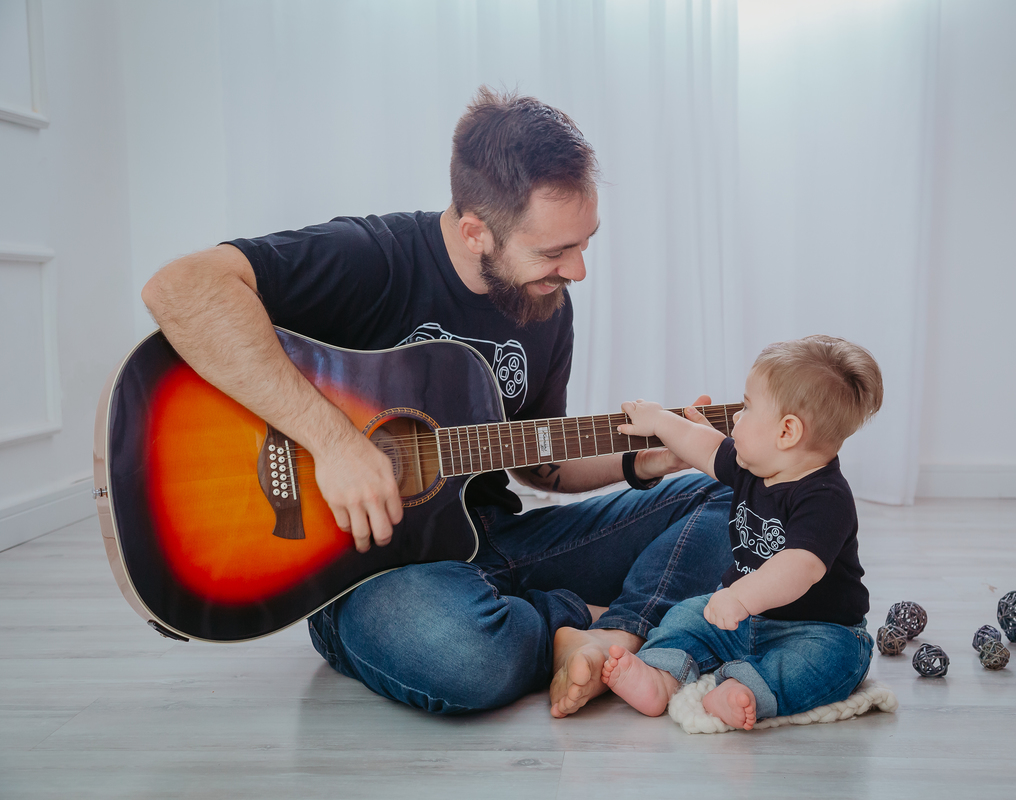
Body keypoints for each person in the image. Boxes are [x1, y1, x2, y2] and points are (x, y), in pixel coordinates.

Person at [140, 87, 732, 717]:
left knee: (733, 495)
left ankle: (610, 632)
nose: (577, 270)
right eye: (555, 252)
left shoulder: (544, 301)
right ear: (476, 231)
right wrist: (334, 443)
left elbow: (540, 461)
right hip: (373, 572)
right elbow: (179, 288)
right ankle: (572, 621)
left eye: (584, 243)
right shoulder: (373, 257)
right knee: (461, 653)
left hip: (498, 541)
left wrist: (642, 459)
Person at [598, 336, 882, 730]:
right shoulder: (753, 463)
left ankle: (746, 688)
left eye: (747, 407)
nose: (735, 417)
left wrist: (740, 597)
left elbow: (799, 567)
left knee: (830, 662)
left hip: (819, 629)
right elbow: (703, 445)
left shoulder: (826, 497)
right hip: (744, 620)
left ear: (787, 432)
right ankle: (661, 675)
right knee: (687, 616)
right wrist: (659, 420)